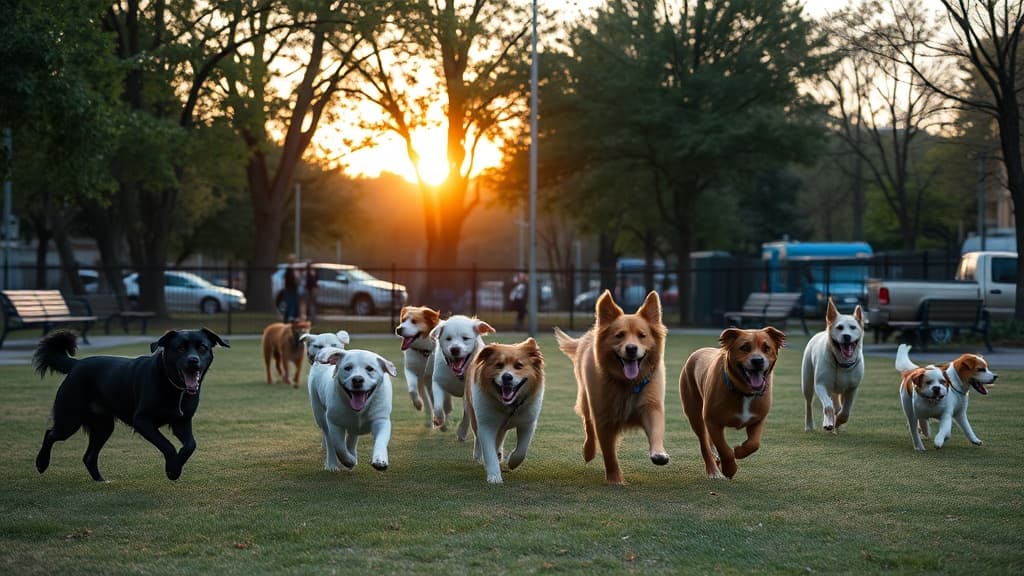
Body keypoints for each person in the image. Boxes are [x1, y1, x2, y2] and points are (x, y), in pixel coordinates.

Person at [282, 254, 301, 322]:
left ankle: (292, 318)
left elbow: (298, 280)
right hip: (289, 289)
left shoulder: (295, 269)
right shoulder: (288, 269)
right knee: (289, 304)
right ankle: (288, 318)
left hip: (294, 289)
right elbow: (288, 279)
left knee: (294, 304)